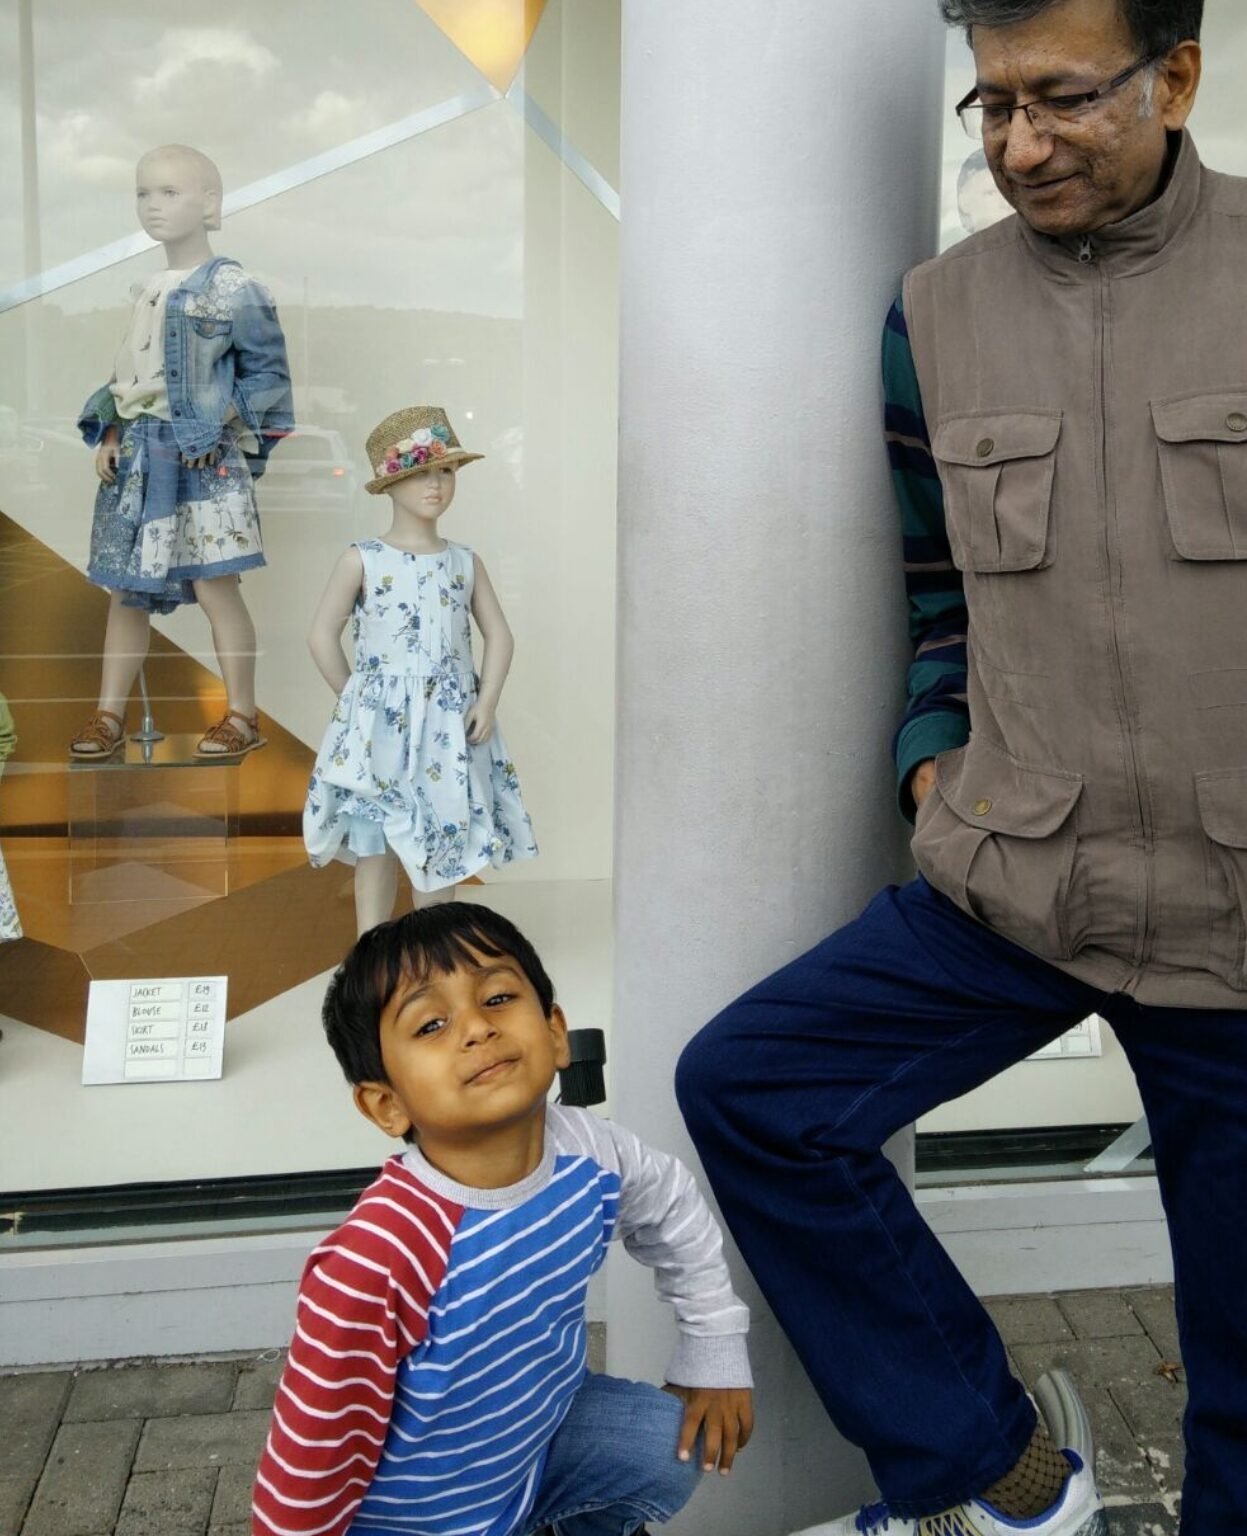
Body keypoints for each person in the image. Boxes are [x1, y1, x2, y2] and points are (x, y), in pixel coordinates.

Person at [677, 3, 1247, 1535]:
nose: (1018, 145)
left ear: (1174, 77)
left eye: (1061, 98)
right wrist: (932, 755)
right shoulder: (933, 317)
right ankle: (996, 1471)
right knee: (754, 1090)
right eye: (991, 105)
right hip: (1019, 881)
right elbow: (937, 591)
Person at [252, 902, 755, 1536]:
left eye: (497, 998)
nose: (476, 1028)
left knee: (670, 1446)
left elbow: (671, 1203)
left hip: (536, 1448)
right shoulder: (377, 1258)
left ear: (555, 1032)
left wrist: (712, 1347)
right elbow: (306, 1467)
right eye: (431, 1024)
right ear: (386, 1104)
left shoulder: (589, 1153)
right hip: (419, 1520)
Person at [72, 144, 292, 760]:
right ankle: (109, 715)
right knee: (126, 592)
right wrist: (111, 433)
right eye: (143, 193)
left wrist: (213, 427)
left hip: (200, 459)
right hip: (140, 458)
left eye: (170, 192)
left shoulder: (236, 288)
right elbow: (128, 377)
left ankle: (241, 715)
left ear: (209, 202)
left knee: (217, 585)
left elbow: (268, 377)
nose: (153, 205)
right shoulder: (146, 289)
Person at [303, 406, 537, 934]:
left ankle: (431, 950)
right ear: (391, 483)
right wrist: (355, 700)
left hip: (447, 726)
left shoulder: (464, 561)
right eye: (420, 473)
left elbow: (499, 635)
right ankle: (371, 949)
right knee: (377, 837)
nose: (436, 485)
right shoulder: (362, 559)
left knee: (443, 830)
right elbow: (321, 636)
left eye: (446, 471)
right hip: (380, 728)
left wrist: (487, 701)